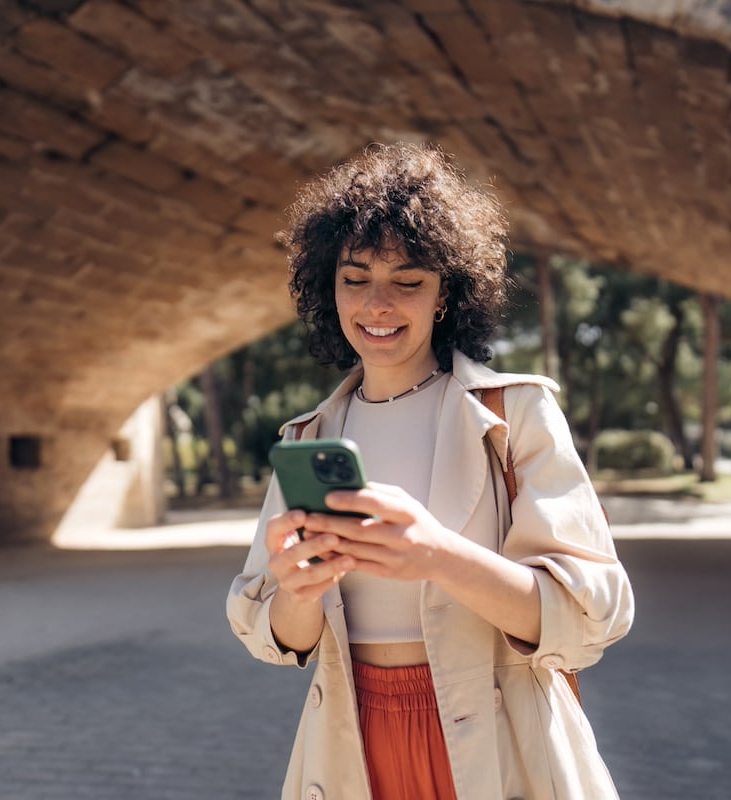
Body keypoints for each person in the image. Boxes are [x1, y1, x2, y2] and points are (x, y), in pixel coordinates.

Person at [226, 143, 634, 800]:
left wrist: (437, 554)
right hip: (349, 747)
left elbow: (595, 618)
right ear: (326, 287)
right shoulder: (308, 439)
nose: (377, 304)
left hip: (500, 744)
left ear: (447, 295)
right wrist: (300, 587)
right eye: (354, 278)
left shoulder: (517, 412)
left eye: (408, 281)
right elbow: (269, 637)